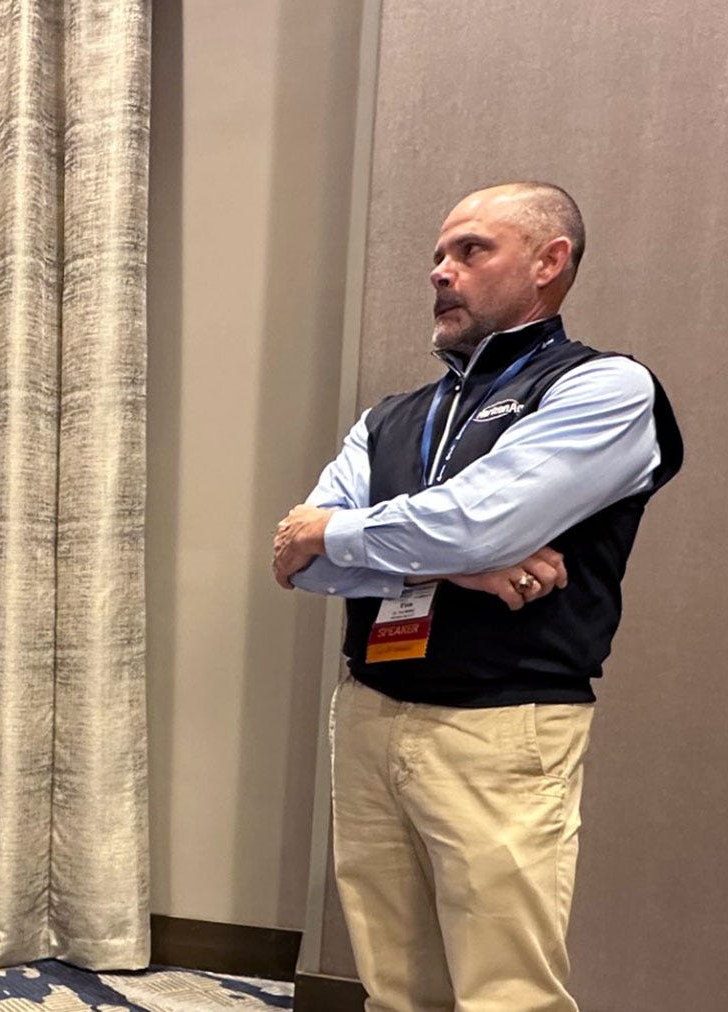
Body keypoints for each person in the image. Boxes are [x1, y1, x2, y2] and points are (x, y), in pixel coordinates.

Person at [272, 183, 683, 1012]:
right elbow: (296, 561)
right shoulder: (391, 417)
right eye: (438, 255)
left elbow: (471, 523)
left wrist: (351, 535)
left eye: (470, 250)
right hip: (369, 711)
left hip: (501, 724)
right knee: (393, 984)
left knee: (505, 992)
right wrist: (455, 564)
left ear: (548, 262)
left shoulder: (603, 390)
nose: (441, 272)